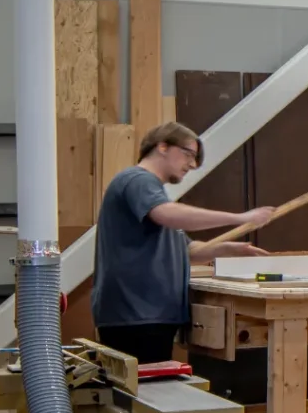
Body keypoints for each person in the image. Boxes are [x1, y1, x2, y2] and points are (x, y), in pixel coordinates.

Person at [91, 122, 273, 366]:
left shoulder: (153, 195)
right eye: (189, 154)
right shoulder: (137, 181)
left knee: (151, 392)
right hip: (135, 314)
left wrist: (226, 249)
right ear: (163, 146)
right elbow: (166, 214)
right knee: (143, 395)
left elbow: (186, 251)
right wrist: (240, 218)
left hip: (150, 315)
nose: (192, 164)